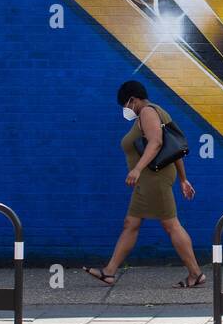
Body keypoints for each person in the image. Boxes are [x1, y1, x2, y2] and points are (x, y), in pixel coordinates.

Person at [83, 80, 205, 288]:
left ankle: (195, 274)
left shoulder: (148, 112)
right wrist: (183, 179)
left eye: (126, 104)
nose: (125, 109)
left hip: (153, 179)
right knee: (131, 224)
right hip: (149, 180)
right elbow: (174, 149)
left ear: (133, 99)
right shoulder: (157, 111)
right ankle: (109, 272)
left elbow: (157, 142)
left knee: (171, 225)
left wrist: (137, 169)